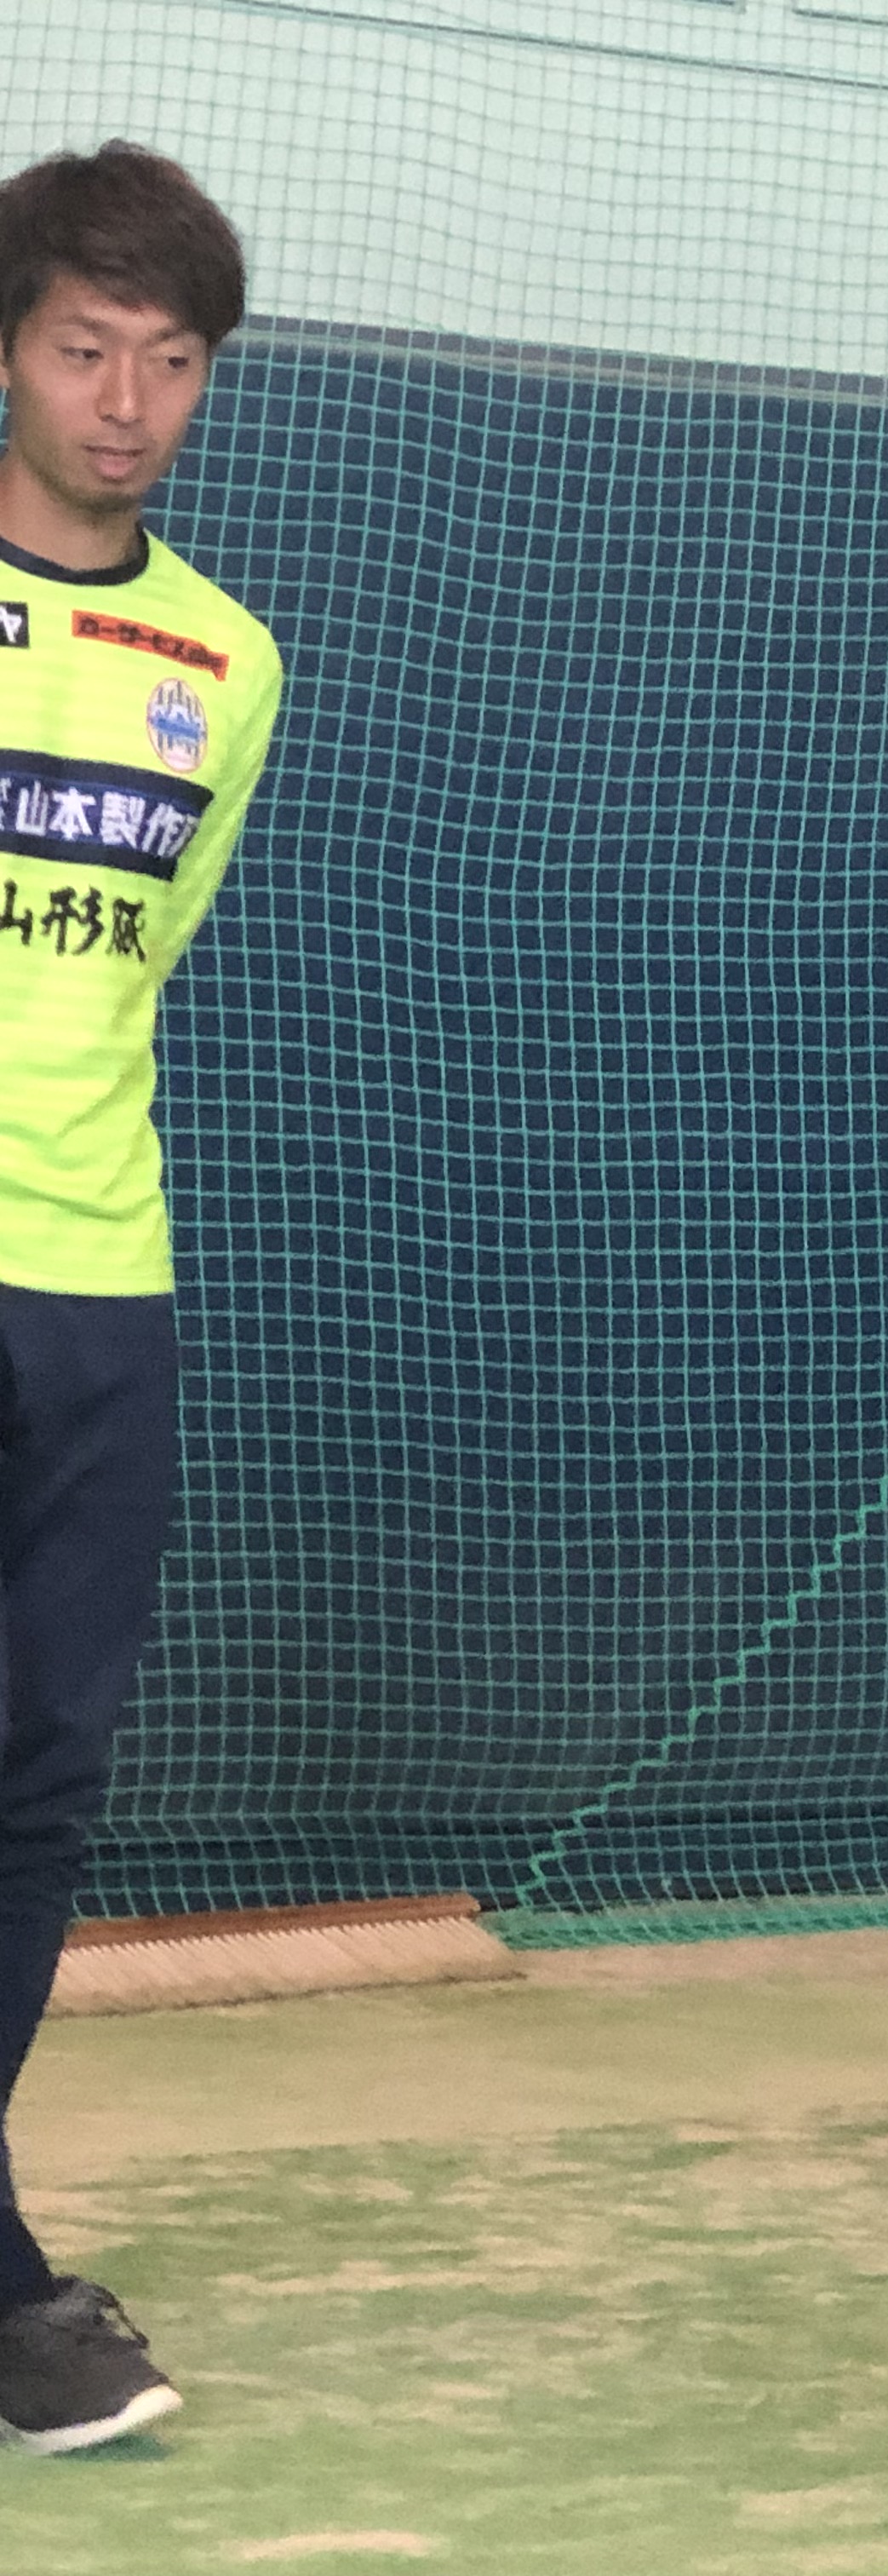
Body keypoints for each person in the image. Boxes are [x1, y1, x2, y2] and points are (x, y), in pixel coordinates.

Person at [0, 141, 278, 2460]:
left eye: (168, 360)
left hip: (103, 1289)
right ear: (10, 350)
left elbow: (131, 955)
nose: (125, 403)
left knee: (38, 1787)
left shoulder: (227, 663)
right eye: (85, 349)